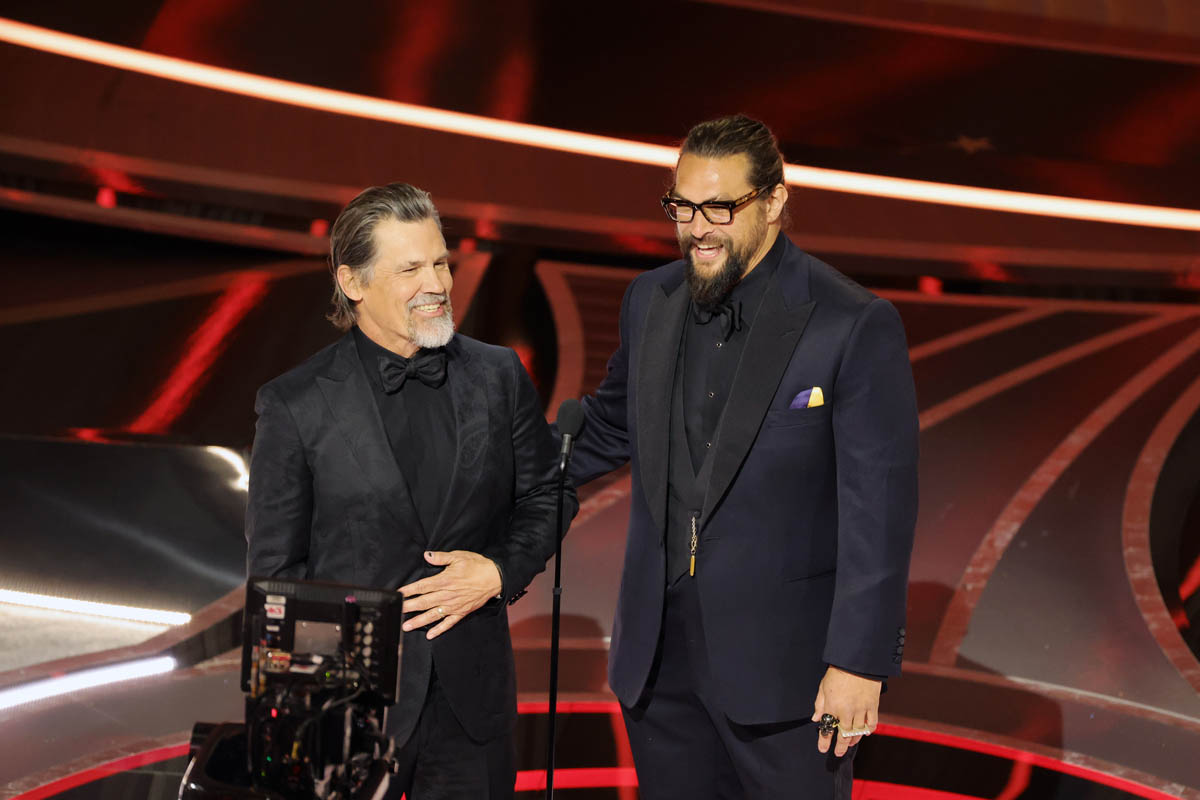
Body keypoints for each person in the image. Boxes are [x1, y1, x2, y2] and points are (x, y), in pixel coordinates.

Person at [567, 115, 919, 798]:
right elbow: (607, 429)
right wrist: (486, 472)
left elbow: (879, 508)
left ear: (775, 201)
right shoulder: (650, 299)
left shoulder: (849, 322)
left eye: (720, 208)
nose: (698, 228)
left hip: (786, 676)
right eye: (682, 207)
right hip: (658, 665)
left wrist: (858, 663)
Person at [245, 182, 575, 799]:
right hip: (347, 717)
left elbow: (549, 495)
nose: (437, 283)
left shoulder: (498, 374)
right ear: (353, 282)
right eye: (410, 269)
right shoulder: (295, 404)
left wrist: (499, 571)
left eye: (440, 263)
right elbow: (276, 579)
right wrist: (298, 719)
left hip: (471, 709)